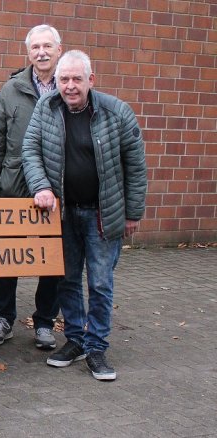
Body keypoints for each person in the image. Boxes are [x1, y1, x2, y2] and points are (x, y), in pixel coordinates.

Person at [22, 50, 147, 381]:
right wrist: (41, 186)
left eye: (77, 79)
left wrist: (133, 212)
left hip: (102, 214)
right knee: (67, 280)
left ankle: (96, 347)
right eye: (64, 79)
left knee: (101, 283)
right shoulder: (46, 108)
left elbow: (136, 166)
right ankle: (75, 339)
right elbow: (30, 150)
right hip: (63, 214)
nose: (70, 86)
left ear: (91, 79)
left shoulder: (117, 112)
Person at [0, 24, 64, 351]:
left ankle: (44, 322)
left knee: (53, 260)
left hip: (56, 189)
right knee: (7, 257)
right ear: (28, 53)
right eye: (35, 47)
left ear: (59, 49)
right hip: (13, 187)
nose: (41, 53)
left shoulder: (69, 85)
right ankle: (3, 317)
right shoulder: (12, 89)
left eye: (47, 46)